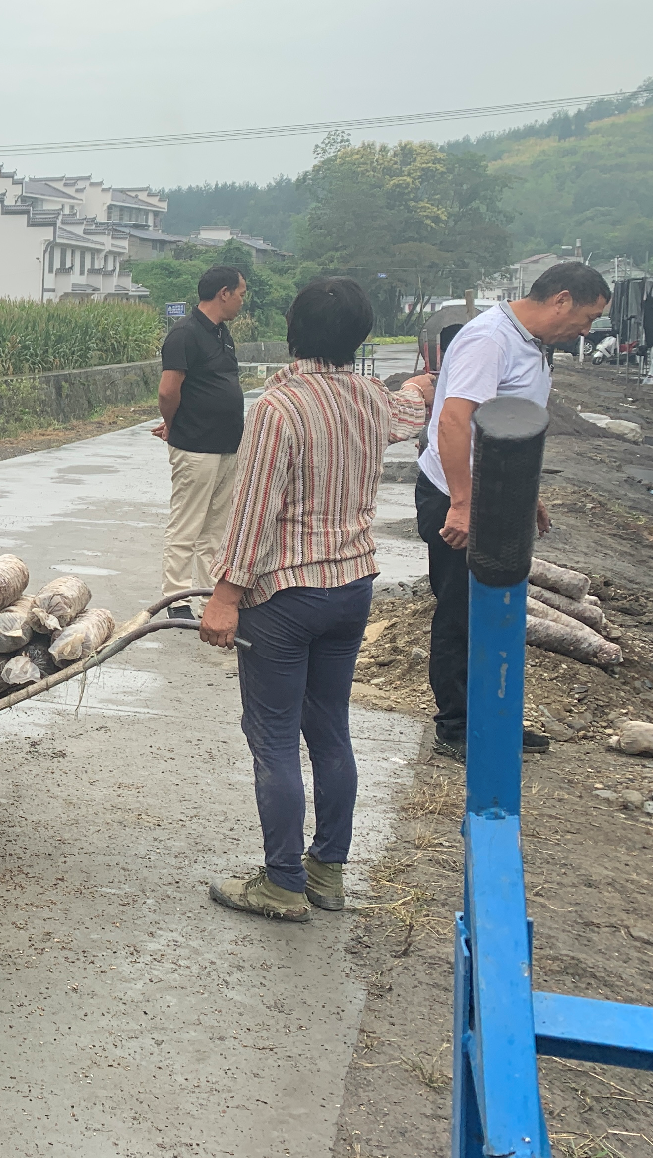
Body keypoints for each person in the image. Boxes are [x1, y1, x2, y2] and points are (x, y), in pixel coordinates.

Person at [199, 277, 435, 922]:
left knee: (273, 739)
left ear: (293, 329)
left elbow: (252, 512)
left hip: (285, 596)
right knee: (330, 730)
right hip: (352, 590)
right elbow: (411, 409)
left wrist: (224, 597)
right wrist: (424, 381)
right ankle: (326, 873)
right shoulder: (368, 398)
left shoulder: (280, 407)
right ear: (360, 336)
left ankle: (281, 885)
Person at [415, 261, 610, 761]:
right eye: (587, 318)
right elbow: (455, 421)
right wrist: (461, 503)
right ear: (561, 299)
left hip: (498, 495)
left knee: (498, 609)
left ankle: (493, 718)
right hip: (457, 496)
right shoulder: (491, 340)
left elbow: (510, 429)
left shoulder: (534, 345)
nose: (586, 331)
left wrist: (526, 491)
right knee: (460, 610)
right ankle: (455, 726)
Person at [154, 265, 250, 617]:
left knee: (217, 529)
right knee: (187, 524)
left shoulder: (222, 334)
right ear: (223, 292)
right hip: (195, 446)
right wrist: (171, 424)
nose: (242, 301)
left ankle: (212, 596)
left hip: (227, 446)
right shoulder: (185, 334)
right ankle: (176, 600)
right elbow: (168, 390)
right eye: (240, 293)